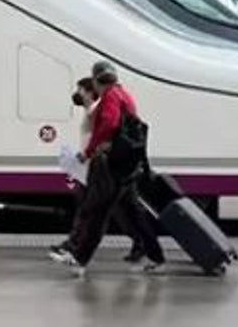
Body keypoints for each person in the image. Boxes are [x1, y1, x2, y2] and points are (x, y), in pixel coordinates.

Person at [56, 61, 165, 275]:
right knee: (134, 214)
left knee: (97, 211)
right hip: (127, 165)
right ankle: (156, 256)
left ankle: (79, 260)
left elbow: (109, 124)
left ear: (97, 81)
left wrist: (90, 151)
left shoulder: (111, 97)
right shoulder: (125, 94)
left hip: (111, 164)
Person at [49, 78, 146, 263]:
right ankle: (75, 244)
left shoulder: (97, 111)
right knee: (114, 210)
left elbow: (102, 136)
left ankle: (75, 247)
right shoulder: (90, 110)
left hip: (100, 168)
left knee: (98, 210)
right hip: (93, 166)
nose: (77, 94)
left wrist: (88, 154)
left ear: (88, 91)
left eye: (80, 90)